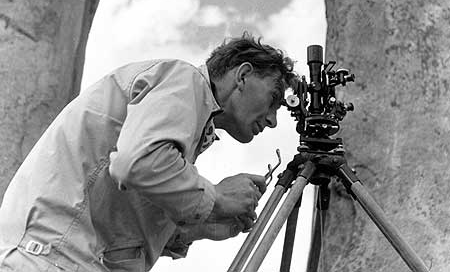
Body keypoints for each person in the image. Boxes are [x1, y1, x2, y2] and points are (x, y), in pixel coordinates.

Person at [0, 33, 296, 272]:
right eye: (274, 99)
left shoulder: (186, 119)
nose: (272, 120)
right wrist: (216, 198)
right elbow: (135, 163)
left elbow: (123, 220)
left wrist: (204, 226)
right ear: (242, 76)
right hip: (51, 258)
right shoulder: (184, 81)